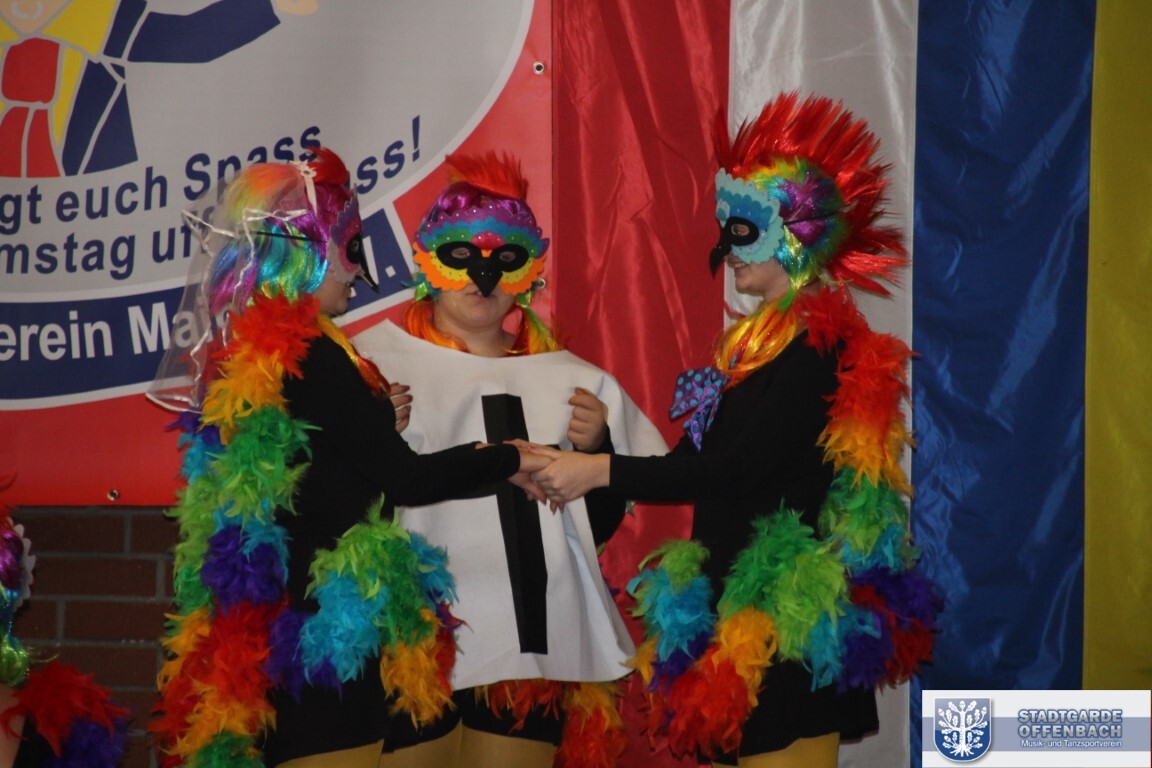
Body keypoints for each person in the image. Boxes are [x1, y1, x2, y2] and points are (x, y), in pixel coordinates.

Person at [528, 93, 941, 768]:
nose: (723, 248)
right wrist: (596, 446)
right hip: (734, 616)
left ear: (797, 234)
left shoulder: (817, 349)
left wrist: (598, 470)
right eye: (724, 228)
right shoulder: (751, 352)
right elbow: (691, 463)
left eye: (742, 230)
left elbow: (737, 470)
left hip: (787, 623)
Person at [148, 148, 551, 768]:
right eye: (350, 248)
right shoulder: (318, 354)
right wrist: (506, 457)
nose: (358, 271)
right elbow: (407, 479)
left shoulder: (261, 354)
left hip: (278, 629)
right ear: (308, 252)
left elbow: (309, 464)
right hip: (329, 634)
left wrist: (370, 422)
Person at [353, 152, 668, 768]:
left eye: (505, 258)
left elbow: (593, 528)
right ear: (427, 260)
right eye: (461, 254)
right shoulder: (372, 366)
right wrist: (371, 435)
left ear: (530, 270)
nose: (483, 275)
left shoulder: (574, 381)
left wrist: (597, 450)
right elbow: (336, 506)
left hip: (530, 643)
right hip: (409, 640)